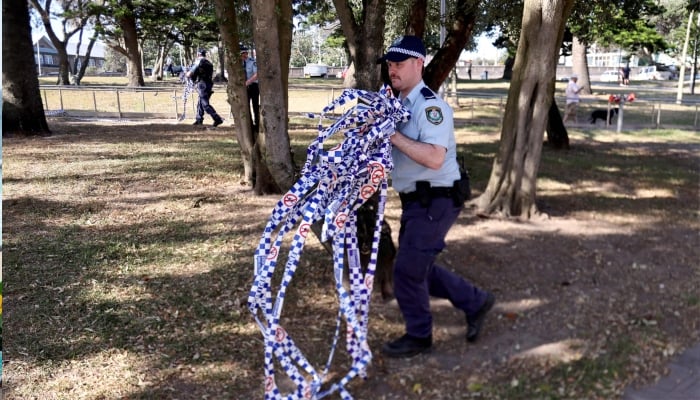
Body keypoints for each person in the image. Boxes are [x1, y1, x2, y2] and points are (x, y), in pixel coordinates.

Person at [379, 35, 495, 358]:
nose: (392, 70)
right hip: (419, 202)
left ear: (419, 63)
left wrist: (392, 136)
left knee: (407, 271)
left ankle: (419, 335)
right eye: (390, 64)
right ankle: (476, 301)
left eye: (399, 64)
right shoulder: (401, 105)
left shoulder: (431, 106)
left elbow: (433, 157)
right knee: (419, 268)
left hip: (437, 200)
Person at [186, 49, 223, 127]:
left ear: (198, 55)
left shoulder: (198, 62)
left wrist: (186, 74)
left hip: (202, 84)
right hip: (208, 84)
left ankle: (217, 119)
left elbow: (190, 73)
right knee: (200, 103)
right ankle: (199, 119)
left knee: (205, 104)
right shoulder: (209, 63)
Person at [241, 46, 260, 132]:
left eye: (244, 53)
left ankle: (257, 124)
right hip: (244, 88)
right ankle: (249, 124)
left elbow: (256, 75)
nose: (242, 55)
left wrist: (247, 82)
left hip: (253, 86)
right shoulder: (239, 63)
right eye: (241, 54)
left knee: (255, 106)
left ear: (246, 53)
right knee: (245, 106)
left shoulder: (253, 62)